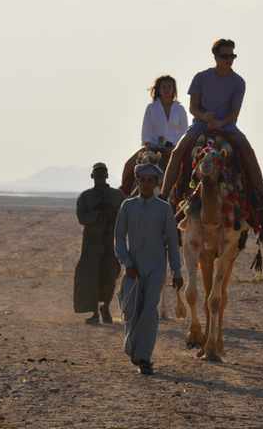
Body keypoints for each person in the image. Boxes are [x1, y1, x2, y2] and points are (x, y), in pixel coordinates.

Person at [159, 39, 263, 211]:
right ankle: (163, 196)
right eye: (225, 56)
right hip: (200, 125)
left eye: (232, 56)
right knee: (177, 152)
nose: (229, 59)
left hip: (227, 127)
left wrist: (220, 122)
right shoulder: (201, 78)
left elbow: (235, 112)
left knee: (249, 153)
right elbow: (193, 107)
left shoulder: (238, 82)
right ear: (215, 57)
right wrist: (203, 115)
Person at [114, 163, 183, 375]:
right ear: (137, 182)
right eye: (142, 180)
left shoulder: (164, 209)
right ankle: (134, 350)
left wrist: (177, 272)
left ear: (156, 184)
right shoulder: (127, 206)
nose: (145, 184)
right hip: (133, 268)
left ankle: (144, 357)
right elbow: (118, 238)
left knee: (149, 311)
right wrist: (127, 263)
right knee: (132, 311)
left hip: (156, 268)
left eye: (150, 181)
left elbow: (172, 242)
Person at [73, 162, 126, 324]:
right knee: (91, 277)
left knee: (110, 277)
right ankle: (95, 312)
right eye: (97, 172)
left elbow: (125, 216)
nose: (100, 174)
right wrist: (99, 213)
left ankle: (106, 308)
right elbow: (82, 218)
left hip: (110, 243)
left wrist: (114, 214)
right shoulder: (85, 197)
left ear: (107, 175)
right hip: (92, 243)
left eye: (103, 172)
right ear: (92, 176)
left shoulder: (117, 196)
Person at [121, 76, 188, 192]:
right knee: (129, 164)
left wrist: (175, 146)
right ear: (159, 89)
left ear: (173, 89)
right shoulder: (152, 107)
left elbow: (184, 130)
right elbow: (146, 127)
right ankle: (124, 193)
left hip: (173, 148)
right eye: (164, 87)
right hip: (152, 147)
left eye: (169, 87)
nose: (166, 89)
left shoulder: (180, 109)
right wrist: (147, 146)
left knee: (188, 168)